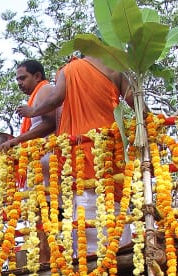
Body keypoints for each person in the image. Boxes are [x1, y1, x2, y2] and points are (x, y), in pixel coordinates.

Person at [17, 55, 133, 254]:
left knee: (85, 208)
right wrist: (149, 122)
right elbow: (136, 101)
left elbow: (56, 98)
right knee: (113, 202)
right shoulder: (117, 67)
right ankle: (120, 250)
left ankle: (89, 260)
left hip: (80, 149)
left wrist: (32, 111)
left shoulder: (69, 69)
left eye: (22, 78)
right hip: (111, 148)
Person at [0, 60, 56, 152]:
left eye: (23, 78)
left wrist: (18, 139)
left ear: (37, 76)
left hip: (49, 153)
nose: (19, 83)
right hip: (39, 154)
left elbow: (50, 124)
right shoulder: (37, 94)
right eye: (17, 80)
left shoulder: (45, 89)